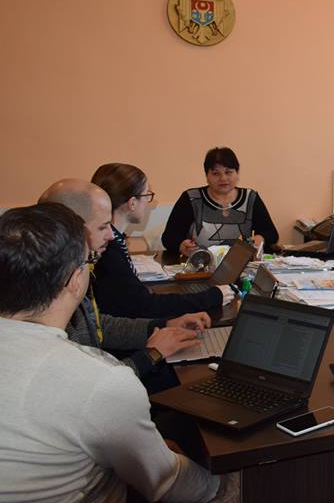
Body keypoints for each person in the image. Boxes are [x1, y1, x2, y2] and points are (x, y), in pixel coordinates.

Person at [0, 202, 230, 502]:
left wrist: (161, 325)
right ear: (75, 281)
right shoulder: (103, 380)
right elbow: (168, 482)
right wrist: (220, 483)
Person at [39, 179, 207, 380]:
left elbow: (98, 326)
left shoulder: (72, 268)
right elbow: (92, 385)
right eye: (103, 227)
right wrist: (152, 354)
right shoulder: (50, 295)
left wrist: (165, 324)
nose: (112, 235)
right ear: (71, 229)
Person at [91, 163, 232, 319]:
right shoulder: (108, 250)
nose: (148, 202)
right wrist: (212, 297)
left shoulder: (112, 241)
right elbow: (145, 306)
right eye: (146, 195)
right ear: (132, 203)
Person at [162, 147, 278, 256]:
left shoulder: (251, 198)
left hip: (241, 265)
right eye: (216, 173)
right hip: (201, 265)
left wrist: (260, 238)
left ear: (237, 174)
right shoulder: (191, 198)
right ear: (206, 176)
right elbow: (169, 238)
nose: (223, 178)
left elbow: (271, 234)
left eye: (228, 172)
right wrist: (182, 245)